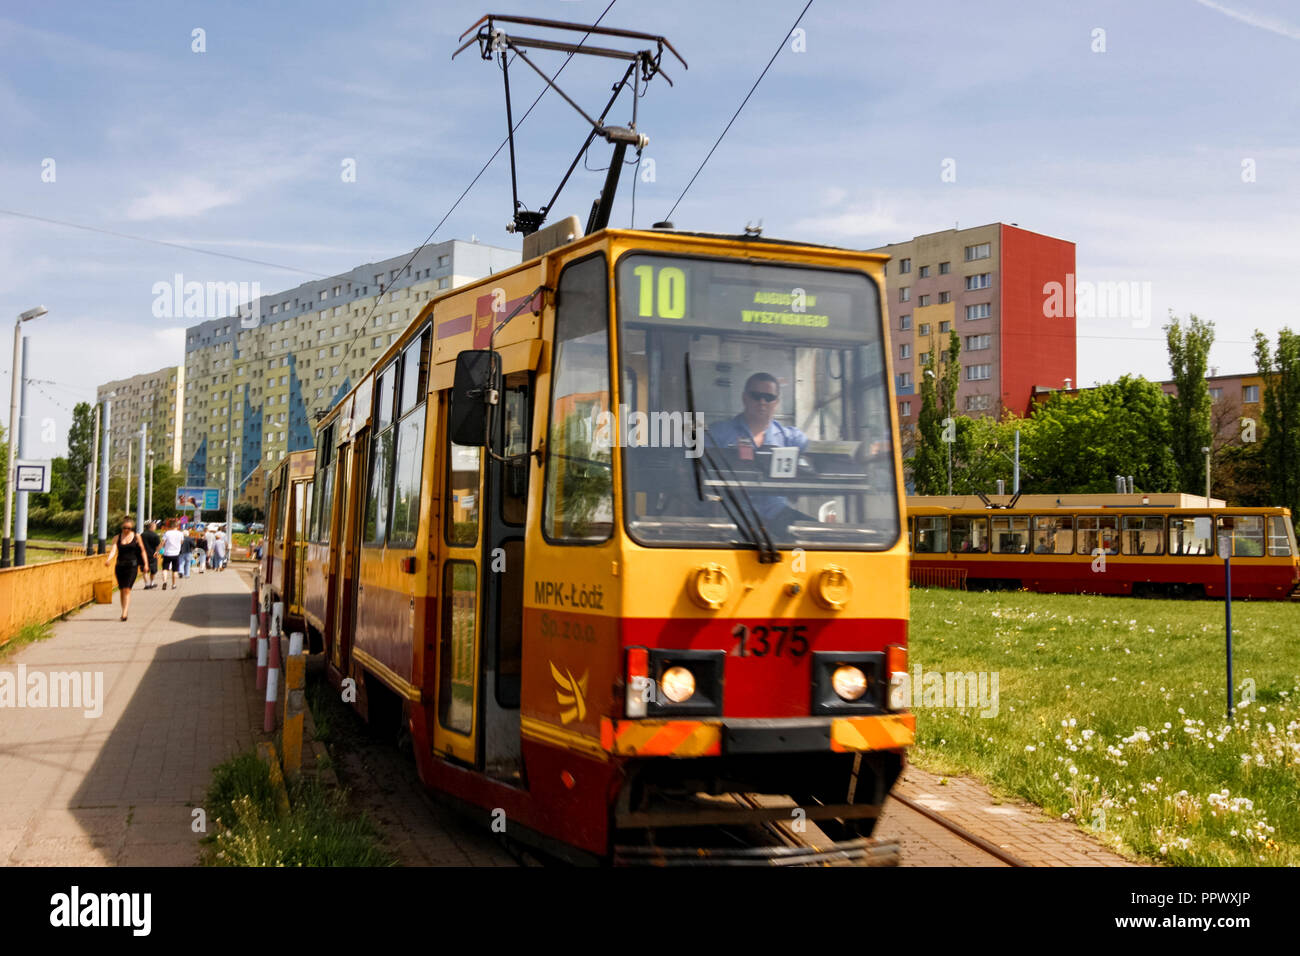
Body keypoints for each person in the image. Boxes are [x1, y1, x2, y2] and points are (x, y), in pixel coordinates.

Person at [705, 372, 810, 526]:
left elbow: (819, 457)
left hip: (778, 516)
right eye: (756, 396)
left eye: (769, 398)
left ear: (777, 402)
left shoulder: (792, 438)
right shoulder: (718, 433)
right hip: (733, 519)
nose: (762, 402)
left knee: (823, 538)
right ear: (744, 398)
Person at [104, 517, 149, 621]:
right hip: (120, 566)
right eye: (125, 528)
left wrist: (146, 564)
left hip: (132, 566)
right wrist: (109, 559)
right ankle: (123, 609)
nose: (126, 530)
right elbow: (113, 550)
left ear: (131, 528)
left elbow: (142, 551)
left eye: (129, 528)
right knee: (121, 589)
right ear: (122, 527)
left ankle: (124, 613)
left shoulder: (137, 537)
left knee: (127, 589)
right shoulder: (117, 537)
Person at [159, 518, 185, 590]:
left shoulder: (167, 533)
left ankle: (164, 582)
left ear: (170, 526)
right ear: (177, 526)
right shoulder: (180, 533)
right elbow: (182, 542)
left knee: (165, 569)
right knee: (175, 570)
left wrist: (157, 551)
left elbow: (162, 543)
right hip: (176, 554)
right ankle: (174, 585)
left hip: (167, 554)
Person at [140, 520, 161, 588]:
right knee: (153, 570)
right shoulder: (155, 535)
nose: (155, 528)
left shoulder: (142, 535)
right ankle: (152, 583)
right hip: (153, 554)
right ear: (152, 527)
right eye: (155, 526)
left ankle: (146, 584)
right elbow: (158, 545)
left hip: (143, 555)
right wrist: (157, 552)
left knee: (144, 570)